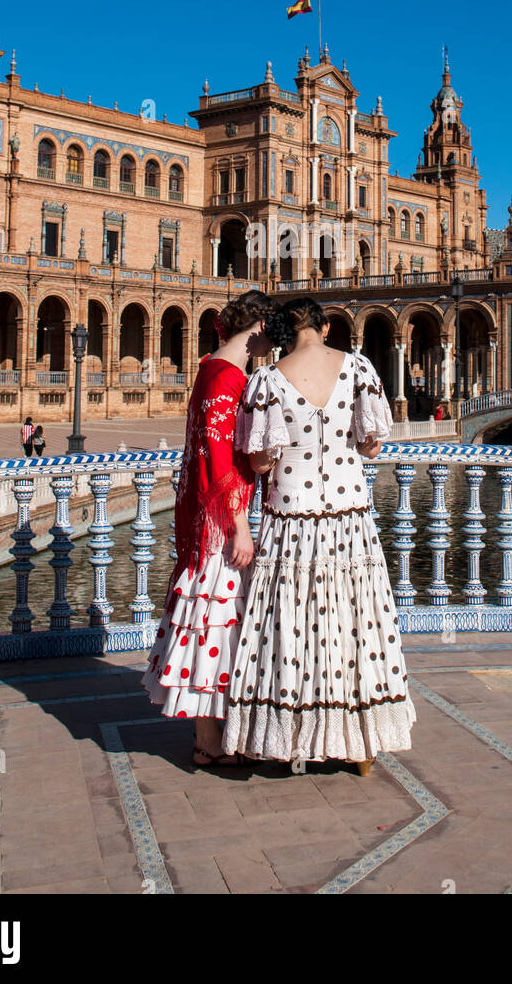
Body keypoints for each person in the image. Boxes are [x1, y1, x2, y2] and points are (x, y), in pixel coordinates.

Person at [224, 297, 416, 774]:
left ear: (285, 331)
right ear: (326, 327)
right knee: (355, 621)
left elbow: (260, 461)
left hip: (292, 518)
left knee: (294, 622)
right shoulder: (359, 368)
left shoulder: (266, 380)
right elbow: (372, 446)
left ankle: (287, 737)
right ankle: (360, 744)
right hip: (349, 517)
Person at [142, 289, 274, 767]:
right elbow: (219, 457)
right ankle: (207, 740)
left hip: (207, 512)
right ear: (258, 328)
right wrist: (240, 525)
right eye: (269, 333)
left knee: (212, 620)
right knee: (213, 620)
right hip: (221, 518)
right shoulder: (226, 377)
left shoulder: (210, 368)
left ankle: (214, 732)